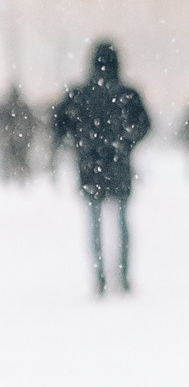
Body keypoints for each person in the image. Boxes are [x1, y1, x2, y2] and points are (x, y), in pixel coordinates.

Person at [50, 40, 151, 295]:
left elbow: (58, 122)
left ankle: (100, 277)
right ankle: (124, 275)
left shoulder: (79, 93)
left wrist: (77, 141)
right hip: (118, 165)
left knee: (94, 223)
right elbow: (145, 124)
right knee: (122, 222)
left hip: (89, 165)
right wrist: (126, 142)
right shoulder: (127, 93)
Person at [0, 82, 34, 183]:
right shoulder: (22, 106)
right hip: (20, 137)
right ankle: (21, 177)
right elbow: (31, 121)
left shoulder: (7, 106)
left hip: (13, 137)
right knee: (20, 158)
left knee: (13, 158)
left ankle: (13, 176)